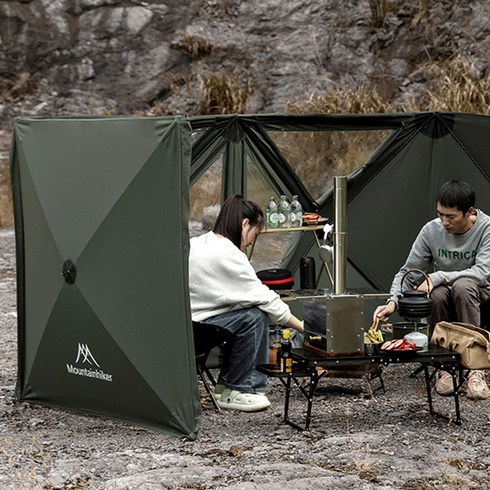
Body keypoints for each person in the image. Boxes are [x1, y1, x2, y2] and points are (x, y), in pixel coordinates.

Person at [373, 180, 490, 400]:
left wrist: (436, 276)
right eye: (440, 215)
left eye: (451, 217)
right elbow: (409, 271)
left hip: (479, 292)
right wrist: (392, 302)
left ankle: (476, 369)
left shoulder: (486, 228)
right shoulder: (431, 230)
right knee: (434, 294)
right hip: (445, 293)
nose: (444, 222)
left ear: (469, 212)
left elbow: (482, 272)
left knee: (463, 286)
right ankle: (444, 366)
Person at [189, 195, 304, 412]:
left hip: (185, 326)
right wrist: (303, 327)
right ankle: (243, 388)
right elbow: (267, 299)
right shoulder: (229, 254)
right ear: (244, 224)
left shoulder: (198, 243)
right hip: (198, 331)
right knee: (254, 317)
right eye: (254, 234)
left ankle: (225, 386)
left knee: (242, 314)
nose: (251, 241)